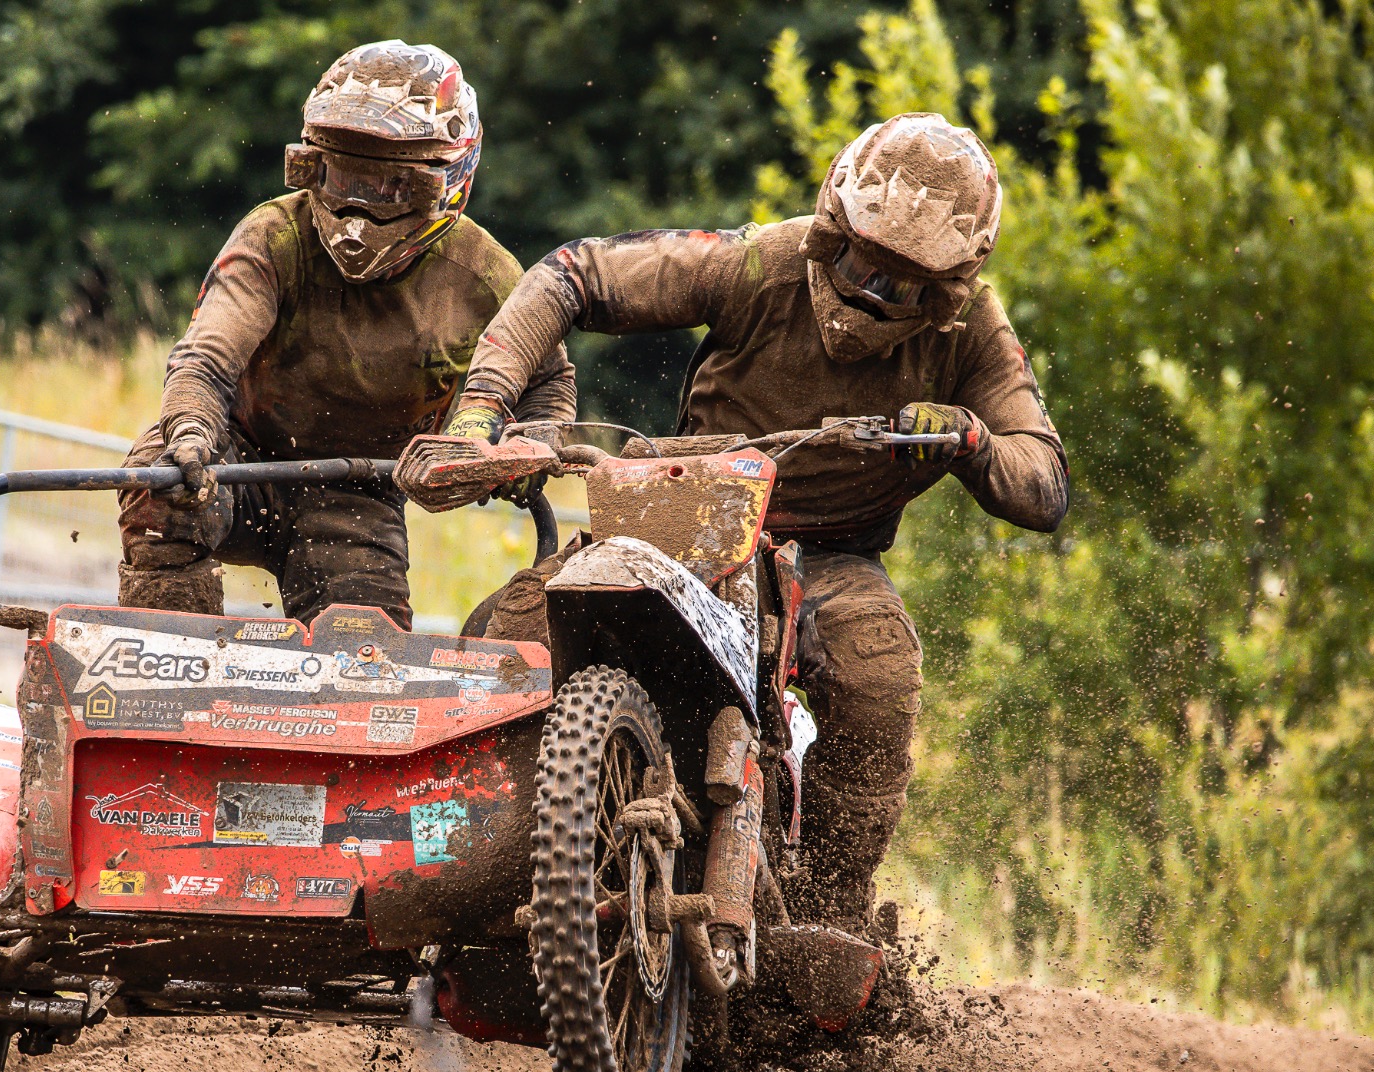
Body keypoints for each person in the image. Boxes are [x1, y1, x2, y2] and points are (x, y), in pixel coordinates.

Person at [447, 112, 1069, 934]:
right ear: (830, 230)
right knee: (518, 628)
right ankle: (477, 870)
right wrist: (483, 409)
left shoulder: (972, 332)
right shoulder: (759, 264)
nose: (868, 292)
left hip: (832, 557)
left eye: (900, 285)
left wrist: (971, 439)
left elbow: (1044, 478)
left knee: (879, 676)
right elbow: (574, 273)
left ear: (948, 288)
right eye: (857, 262)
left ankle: (831, 910)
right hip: (681, 515)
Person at [117, 40, 575, 628]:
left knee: (363, 654)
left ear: (446, 180)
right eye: (341, 178)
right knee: (160, 480)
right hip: (236, 462)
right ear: (309, 165)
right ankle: (170, 651)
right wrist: (190, 430)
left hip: (357, 495)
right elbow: (205, 358)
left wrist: (523, 448)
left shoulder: (485, 276)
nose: (357, 208)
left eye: (386, 188)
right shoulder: (274, 237)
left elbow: (548, 382)